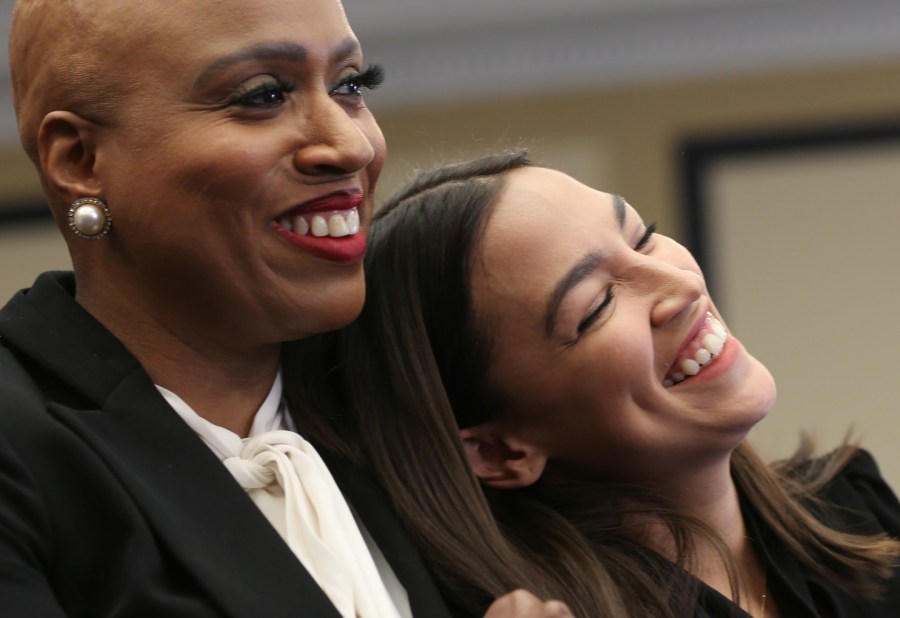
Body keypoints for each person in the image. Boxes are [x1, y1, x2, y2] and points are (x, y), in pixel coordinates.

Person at [1, 2, 573, 616]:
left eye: (351, 86)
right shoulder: (23, 447)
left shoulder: (409, 390)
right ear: (80, 161)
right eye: (263, 95)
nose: (350, 144)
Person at [285, 150, 900, 617]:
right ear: (497, 451)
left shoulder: (858, 510)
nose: (680, 287)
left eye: (642, 236)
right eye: (598, 305)